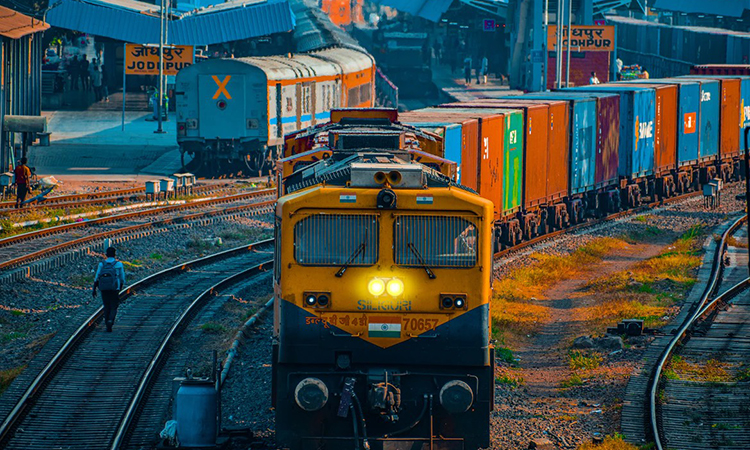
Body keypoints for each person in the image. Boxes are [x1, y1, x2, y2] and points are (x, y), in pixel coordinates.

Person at [93, 247, 126, 332]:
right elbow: (122, 278)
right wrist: (121, 286)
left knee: (106, 305)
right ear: (115, 254)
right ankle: (111, 320)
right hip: (115, 288)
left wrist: (94, 288)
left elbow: (97, 277)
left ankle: (106, 320)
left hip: (104, 288)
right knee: (114, 306)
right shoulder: (118, 264)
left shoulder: (102, 264)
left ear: (106, 254)